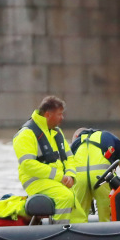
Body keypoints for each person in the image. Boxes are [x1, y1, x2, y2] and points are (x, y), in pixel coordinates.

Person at [11, 96, 85, 224]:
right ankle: (59, 235)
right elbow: (28, 165)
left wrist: (70, 175)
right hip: (35, 181)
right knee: (64, 196)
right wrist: (60, 176)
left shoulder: (57, 133)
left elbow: (69, 158)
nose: (62, 118)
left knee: (78, 206)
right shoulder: (26, 134)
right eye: (59, 114)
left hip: (57, 180)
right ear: (47, 115)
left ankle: (80, 237)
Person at [69, 128, 120, 222]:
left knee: (79, 215)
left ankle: (78, 233)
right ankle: (107, 231)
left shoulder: (75, 143)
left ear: (76, 136)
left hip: (79, 179)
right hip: (102, 178)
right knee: (107, 216)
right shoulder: (106, 136)